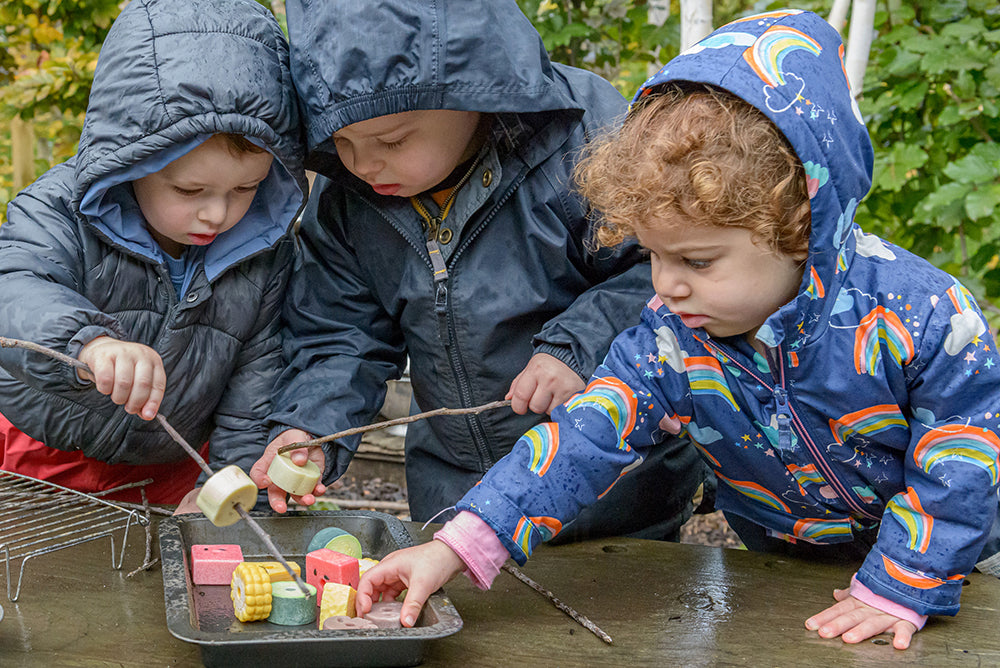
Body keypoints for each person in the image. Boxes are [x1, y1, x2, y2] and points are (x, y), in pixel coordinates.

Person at [355, 10, 1000, 649]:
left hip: (961, 572)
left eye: (697, 261)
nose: (665, 285)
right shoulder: (671, 338)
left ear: (799, 224)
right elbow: (581, 440)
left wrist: (902, 583)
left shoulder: (924, 317)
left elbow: (961, 458)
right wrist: (455, 545)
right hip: (788, 571)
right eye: (655, 255)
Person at [249, 0, 706, 541]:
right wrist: (312, 426)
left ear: (471, 93)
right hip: (457, 501)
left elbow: (661, 276)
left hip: (617, 499)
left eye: (392, 140)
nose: (363, 164)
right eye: (340, 143)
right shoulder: (347, 196)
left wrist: (576, 350)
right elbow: (340, 333)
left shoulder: (585, 140)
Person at [0, 0, 306, 505]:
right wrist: (88, 343)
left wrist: (224, 484)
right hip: (42, 454)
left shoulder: (264, 251)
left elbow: (255, 380)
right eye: (190, 191)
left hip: (168, 469)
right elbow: (15, 289)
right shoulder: (59, 211)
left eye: (246, 189)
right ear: (132, 164)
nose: (217, 214)